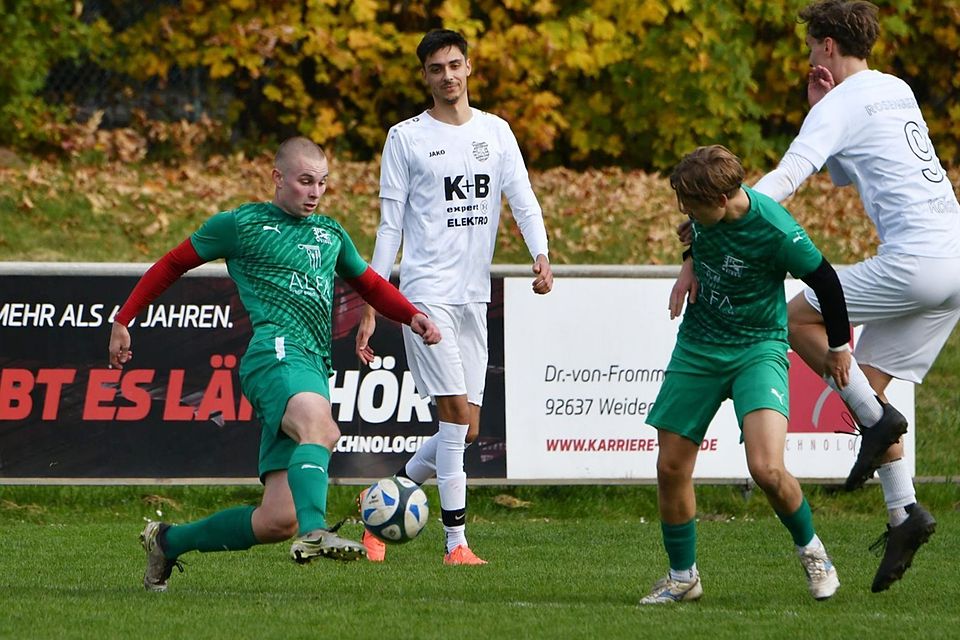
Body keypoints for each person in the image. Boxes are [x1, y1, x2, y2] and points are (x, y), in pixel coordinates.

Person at [681, 0, 953, 593]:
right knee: (869, 391)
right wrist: (818, 110)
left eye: (810, 46)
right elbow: (853, 169)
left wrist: (728, 211)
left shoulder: (843, 101)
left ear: (828, 45)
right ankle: (904, 512)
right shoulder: (895, 89)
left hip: (916, 264)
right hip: (953, 261)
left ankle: (876, 425)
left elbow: (787, 178)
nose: (809, 56)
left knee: (795, 318)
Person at [108, 137, 441, 591]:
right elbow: (172, 263)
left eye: (322, 183)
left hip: (311, 364)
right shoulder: (241, 224)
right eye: (305, 181)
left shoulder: (330, 234)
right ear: (277, 178)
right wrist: (124, 318)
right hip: (275, 354)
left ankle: (168, 542)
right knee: (321, 431)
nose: (315, 192)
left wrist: (413, 315)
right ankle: (314, 532)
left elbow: (370, 284)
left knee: (275, 519)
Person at [354, 29, 553, 565]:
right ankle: (456, 542)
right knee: (452, 414)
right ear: (425, 76)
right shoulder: (405, 138)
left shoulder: (497, 131)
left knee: (469, 428)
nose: (448, 76)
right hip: (425, 295)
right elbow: (389, 227)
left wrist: (541, 252)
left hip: (472, 296)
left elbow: (523, 198)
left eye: (455, 65)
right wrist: (375, 300)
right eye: (437, 68)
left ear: (469, 68)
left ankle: (378, 505)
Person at [641, 145, 847, 604]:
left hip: (758, 348)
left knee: (767, 468)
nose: (683, 212)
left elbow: (827, 282)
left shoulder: (776, 230)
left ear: (720, 201)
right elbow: (697, 234)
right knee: (670, 465)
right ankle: (682, 578)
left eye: (690, 205)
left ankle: (813, 553)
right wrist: (687, 267)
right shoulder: (706, 212)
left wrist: (838, 348)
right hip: (698, 345)